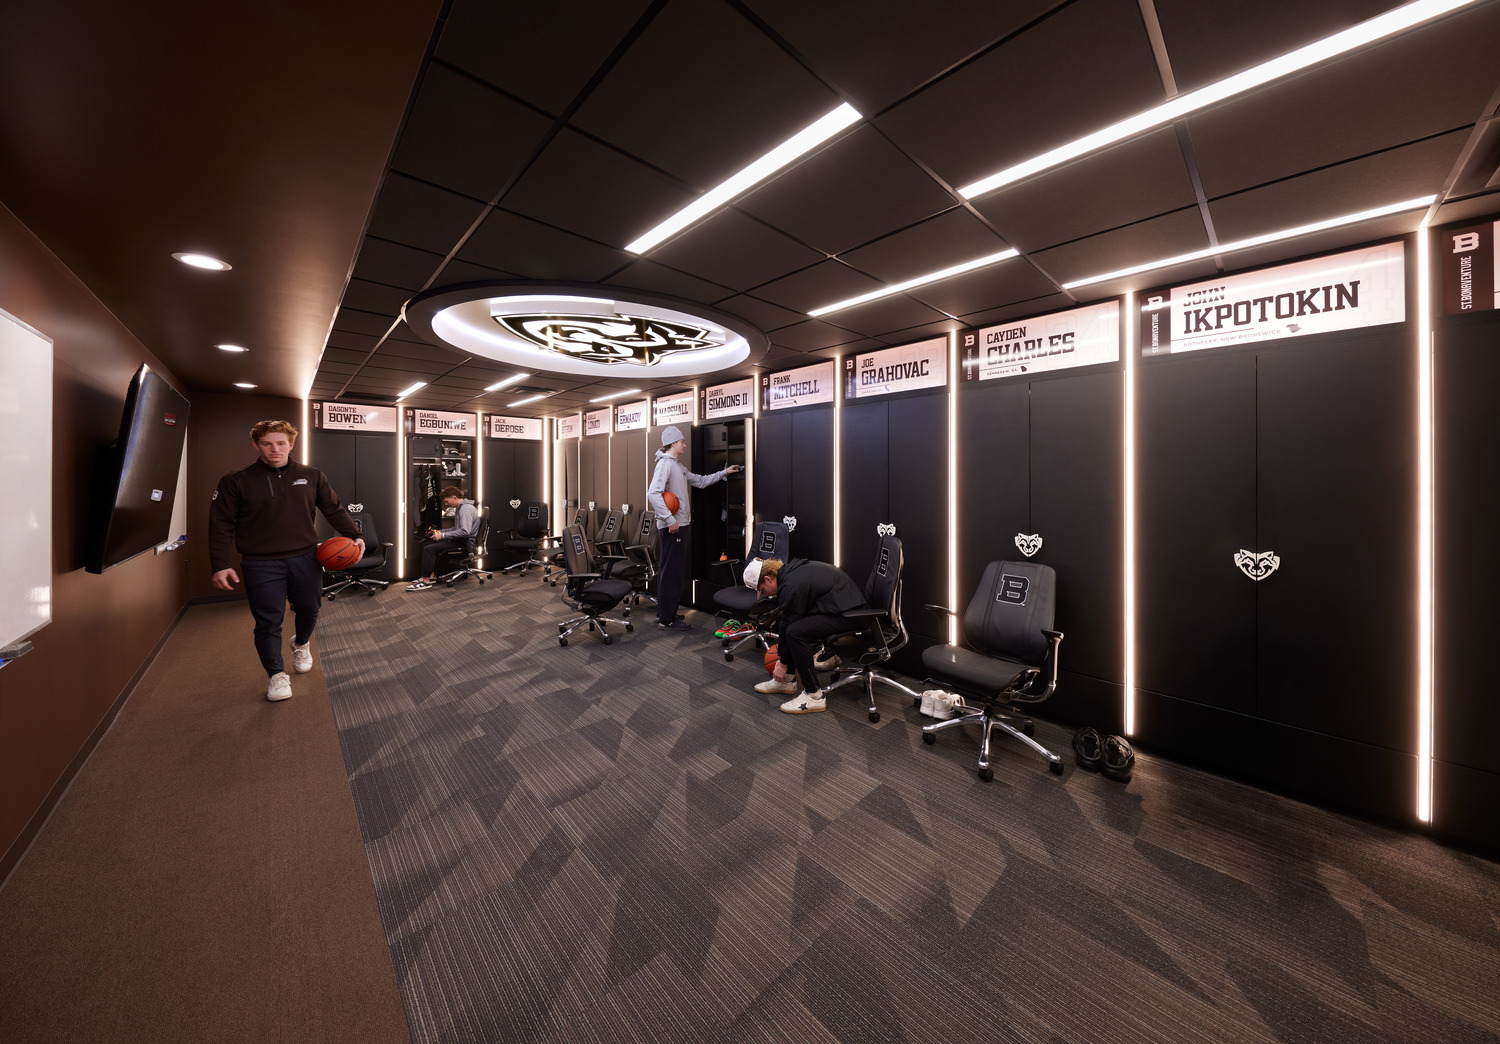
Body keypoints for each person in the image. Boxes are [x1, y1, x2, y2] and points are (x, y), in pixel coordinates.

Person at [209, 419, 365, 702]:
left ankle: (301, 643)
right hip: (260, 562)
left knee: (309, 608)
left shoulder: (312, 475)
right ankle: (276, 675)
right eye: (267, 444)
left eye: (281, 443)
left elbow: (333, 509)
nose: (274, 449)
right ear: (256, 445)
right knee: (269, 621)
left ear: (291, 444)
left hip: (305, 558)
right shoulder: (236, 480)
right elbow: (220, 523)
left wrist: (354, 534)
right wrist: (219, 563)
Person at [743, 556, 866, 713]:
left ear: (768, 579)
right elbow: (788, 618)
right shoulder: (790, 574)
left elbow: (790, 625)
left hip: (852, 617)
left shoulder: (791, 585)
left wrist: (782, 662)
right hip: (840, 609)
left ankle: (814, 696)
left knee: (796, 633)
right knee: (788, 623)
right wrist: (783, 660)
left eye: (762, 589)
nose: (765, 594)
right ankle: (786, 681)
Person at [646, 425, 740, 631]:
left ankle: (666, 612)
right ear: (673, 443)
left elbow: (700, 481)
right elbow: (653, 493)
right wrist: (670, 520)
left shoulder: (676, 465)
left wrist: (724, 472)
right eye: (682, 442)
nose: (685, 445)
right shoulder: (665, 465)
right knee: (672, 572)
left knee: (670, 570)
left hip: (678, 525)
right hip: (674, 527)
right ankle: (667, 618)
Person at [406, 486, 479, 591]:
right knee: (426, 544)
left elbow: (464, 532)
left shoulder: (465, 509)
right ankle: (430, 576)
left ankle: (425, 581)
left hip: (465, 543)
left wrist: (443, 536)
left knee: (429, 549)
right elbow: (456, 528)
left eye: (446, 501)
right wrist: (441, 532)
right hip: (461, 540)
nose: (445, 504)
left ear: (454, 497)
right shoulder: (461, 508)